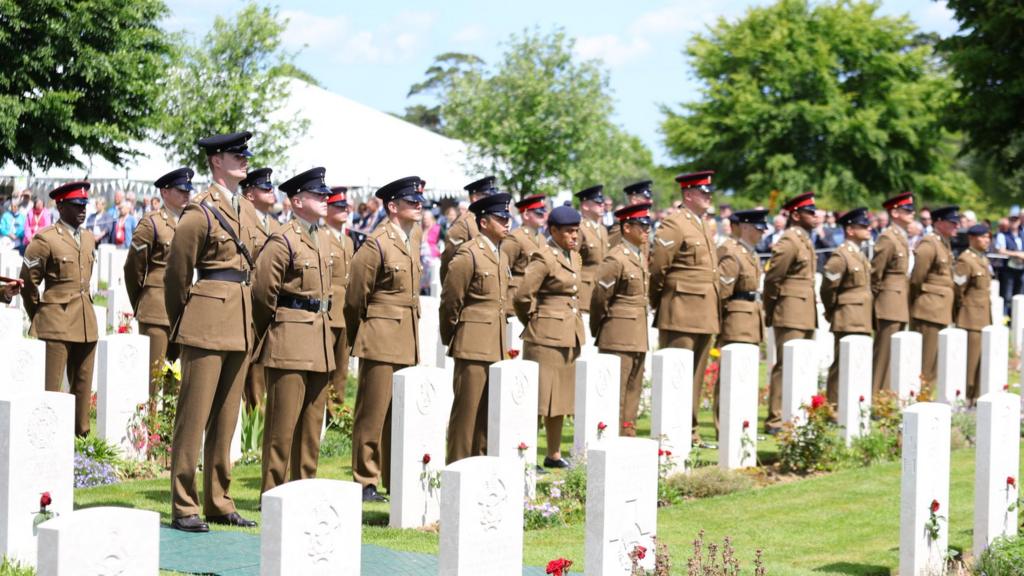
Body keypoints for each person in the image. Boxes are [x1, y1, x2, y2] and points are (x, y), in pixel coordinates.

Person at [164, 131, 261, 532]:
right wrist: (181, 324)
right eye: (237, 156)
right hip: (205, 321)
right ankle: (184, 504)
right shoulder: (200, 210)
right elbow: (176, 274)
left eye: (245, 155)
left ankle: (219, 500)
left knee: (226, 418)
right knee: (194, 416)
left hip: (240, 320)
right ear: (216, 161)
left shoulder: (247, 211)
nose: (244, 161)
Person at [252, 167, 335, 493]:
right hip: (290, 338)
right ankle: (273, 492)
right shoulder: (283, 239)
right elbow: (262, 293)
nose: (325, 199)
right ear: (298, 200)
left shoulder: (323, 237)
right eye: (318, 194)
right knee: (281, 426)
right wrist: (274, 334)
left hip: (320, 339)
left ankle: (305, 491)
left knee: (312, 425)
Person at [346, 176, 424, 502]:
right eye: (411, 201)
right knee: (373, 412)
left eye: (419, 201)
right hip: (380, 336)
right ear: (393, 207)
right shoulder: (377, 242)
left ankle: (394, 477)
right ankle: (365, 479)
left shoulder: (412, 237)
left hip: (406, 334)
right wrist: (361, 334)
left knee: (398, 414)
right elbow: (354, 298)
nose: (418, 206)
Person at [20, 181, 98, 437]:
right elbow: (28, 283)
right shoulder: (45, 239)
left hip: (86, 322)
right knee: (51, 389)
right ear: (60, 205)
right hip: (55, 322)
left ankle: (80, 438)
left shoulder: (87, 238)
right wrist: (40, 316)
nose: (82, 210)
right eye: (77, 205)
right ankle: (48, 441)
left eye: (84, 205)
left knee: (83, 386)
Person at [440, 192, 513, 463]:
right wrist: (454, 338)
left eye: (508, 217)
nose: (507, 223)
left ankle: (479, 466)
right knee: (466, 414)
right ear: (484, 223)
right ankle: (457, 466)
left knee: (486, 415)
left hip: (494, 344)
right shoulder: (468, 254)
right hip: (471, 344)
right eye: (501, 218)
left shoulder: (500, 256)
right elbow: (450, 301)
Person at [649, 171, 720, 442]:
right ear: (688, 195)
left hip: (704, 311)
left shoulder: (702, 224)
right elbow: (658, 269)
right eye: (703, 192)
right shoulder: (675, 224)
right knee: (675, 376)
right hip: (679, 309)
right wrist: (660, 302)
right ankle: (671, 429)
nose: (709, 196)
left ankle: (690, 430)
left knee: (696, 376)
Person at [514, 202, 585, 468]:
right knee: (539, 400)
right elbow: (522, 296)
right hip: (544, 336)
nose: (574, 236)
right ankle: (526, 455)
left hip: (569, 334)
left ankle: (553, 453)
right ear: (553, 231)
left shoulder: (574, 256)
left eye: (576, 231)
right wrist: (534, 320)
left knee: (561, 400)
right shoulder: (544, 257)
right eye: (568, 231)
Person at [123, 168, 193, 397]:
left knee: (177, 378)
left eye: (188, 191)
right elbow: (133, 268)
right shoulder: (151, 223)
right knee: (152, 378)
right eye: (181, 191)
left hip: (184, 309)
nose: (187, 195)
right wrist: (142, 302)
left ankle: (169, 429)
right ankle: (149, 430)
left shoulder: (191, 223)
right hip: (156, 306)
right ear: (164, 192)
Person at [590, 202, 651, 436]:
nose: (647, 230)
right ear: (627, 228)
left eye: (648, 225)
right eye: (641, 225)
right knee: (615, 391)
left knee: (634, 388)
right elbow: (599, 299)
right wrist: (600, 329)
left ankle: (628, 431)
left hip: (637, 333)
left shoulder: (638, 256)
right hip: (618, 333)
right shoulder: (616, 259)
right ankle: (612, 434)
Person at [763, 192, 819, 434]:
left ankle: (796, 414)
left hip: (804, 309)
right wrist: (775, 306)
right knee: (785, 365)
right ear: (796, 215)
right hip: (790, 310)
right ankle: (775, 418)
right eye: (810, 212)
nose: (815, 217)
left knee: (802, 365)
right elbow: (773, 278)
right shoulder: (789, 241)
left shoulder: (803, 240)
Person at [714, 209, 768, 430]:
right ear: (745, 227)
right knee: (729, 377)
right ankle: (723, 427)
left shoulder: (750, 253)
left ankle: (741, 425)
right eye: (758, 229)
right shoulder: (731, 251)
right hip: (736, 320)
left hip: (751, 317)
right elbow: (722, 292)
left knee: (745, 376)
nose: (761, 233)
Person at [820, 208, 873, 405]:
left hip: (862, 316)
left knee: (858, 364)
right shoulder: (841, 256)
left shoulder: (859, 254)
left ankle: (851, 403)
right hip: (847, 316)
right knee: (842, 364)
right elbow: (828, 289)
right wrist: (833, 310)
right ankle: (833, 404)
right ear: (850, 230)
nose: (868, 229)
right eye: (863, 226)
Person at [239, 167, 280, 410]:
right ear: (250, 194)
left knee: (261, 366)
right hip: (246, 302)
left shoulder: (277, 226)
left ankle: (255, 419)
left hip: (269, 305)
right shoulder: (243, 221)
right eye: (265, 188)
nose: (271, 191)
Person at [910, 205, 959, 389]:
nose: (956, 226)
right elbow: (917, 279)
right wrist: (919, 301)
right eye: (952, 222)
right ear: (938, 222)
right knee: (926, 359)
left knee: (934, 360)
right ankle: (921, 396)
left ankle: (927, 394)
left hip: (939, 310)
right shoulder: (929, 244)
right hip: (928, 309)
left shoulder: (943, 243)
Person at [871, 192, 915, 394]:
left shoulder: (900, 237)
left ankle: (884, 395)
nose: (912, 213)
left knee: (894, 353)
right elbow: (875, 273)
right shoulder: (888, 237)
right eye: (907, 210)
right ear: (895, 212)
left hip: (899, 301)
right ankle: (875, 393)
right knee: (884, 354)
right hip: (888, 302)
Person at [324, 187, 354, 421]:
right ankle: (323, 410)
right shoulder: (322, 236)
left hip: (344, 310)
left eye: (346, 207)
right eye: (339, 207)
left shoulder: (348, 240)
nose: (344, 211)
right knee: (325, 366)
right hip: (328, 309)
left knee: (341, 368)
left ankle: (336, 410)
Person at [954, 224, 993, 402]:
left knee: (980, 360)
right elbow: (958, 288)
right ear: (971, 238)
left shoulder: (982, 259)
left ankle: (976, 395)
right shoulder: (965, 260)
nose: (987, 240)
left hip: (983, 317)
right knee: (971, 361)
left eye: (988, 237)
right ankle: (967, 397)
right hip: (970, 318)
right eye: (982, 237)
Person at [439, 176, 498, 282]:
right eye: (487, 196)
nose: (492, 199)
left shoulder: (490, 220)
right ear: (475, 198)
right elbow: (448, 266)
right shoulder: (462, 225)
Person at [501, 194, 547, 305]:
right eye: (538, 213)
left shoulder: (542, 238)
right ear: (526, 214)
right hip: (516, 300)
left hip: (537, 299)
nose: (543, 216)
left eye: (543, 212)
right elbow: (502, 270)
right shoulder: (515, 238)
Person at [575, 185, 609, 315]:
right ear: (585, 206)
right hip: (585, 293)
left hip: (602, 292)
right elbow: (573, 260)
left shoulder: (603, 230)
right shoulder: (580, 229)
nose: (602, 205)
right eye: (597, 202)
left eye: (602, 203)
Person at [608, 180, 653, 247]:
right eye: (646, 198)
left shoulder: (644, 222)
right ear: (634, 200)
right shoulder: (621, 228)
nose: (651, 201)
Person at [995, 215, 1023, 316]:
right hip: (1008, 269)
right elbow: (1001, 251)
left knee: (1020, 295)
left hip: (1021, 269)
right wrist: (1017, 254)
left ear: (1020, 221)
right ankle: (1005, 317)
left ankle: (1018, 318)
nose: (1014, 222)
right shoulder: (1003, 235)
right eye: (1012, 220)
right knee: (1007, 295)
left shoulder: (1022, 235)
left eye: (1016, 220)